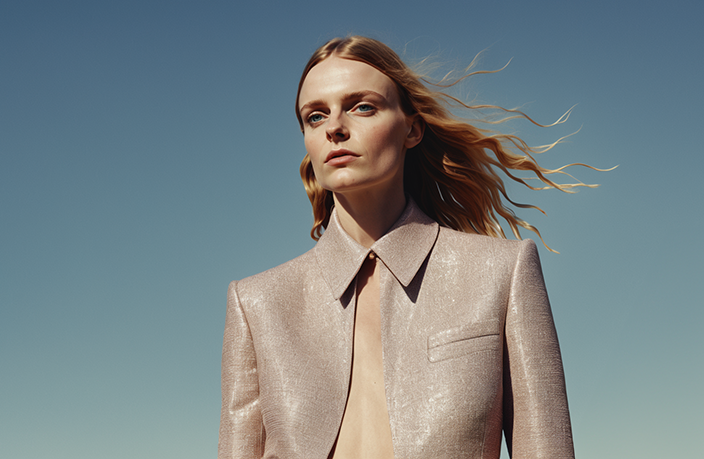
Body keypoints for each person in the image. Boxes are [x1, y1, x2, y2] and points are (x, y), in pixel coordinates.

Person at [219, 36, 593, 459]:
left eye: (362, 106)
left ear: (412, 129)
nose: (334, 128)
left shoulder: (500, 273)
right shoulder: (257, 304)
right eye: (315, 116)